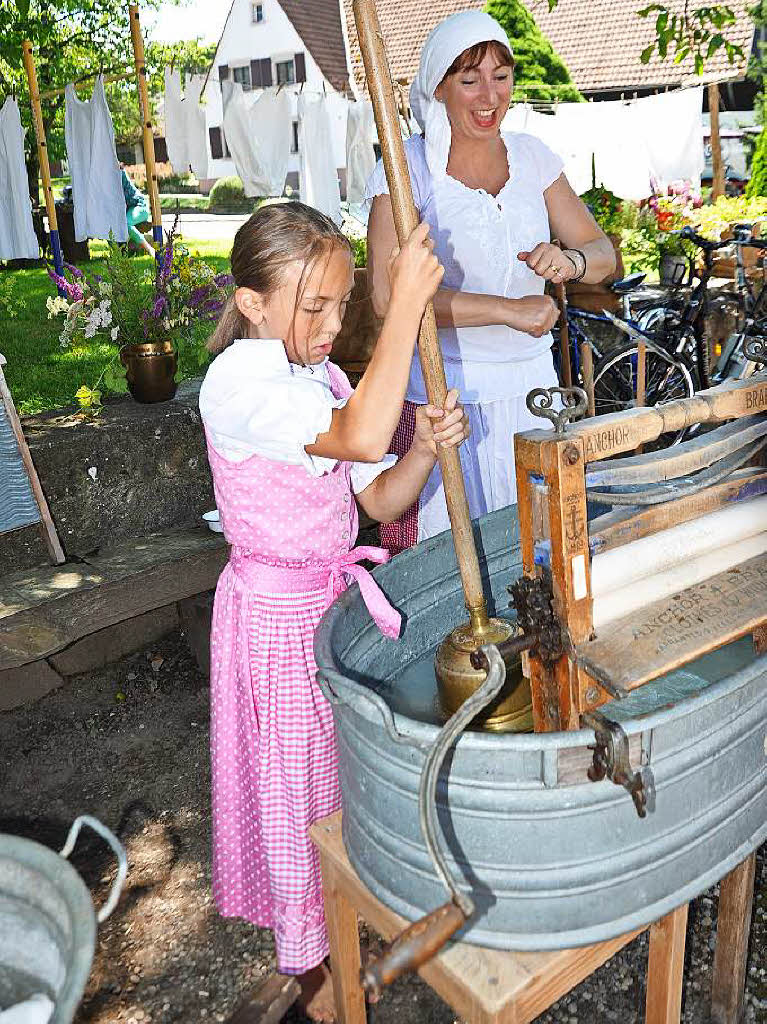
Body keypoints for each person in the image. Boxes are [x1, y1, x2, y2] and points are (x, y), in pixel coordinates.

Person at [198, 201, 467, 1022]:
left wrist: (420, 449)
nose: (332, 322)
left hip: (332, 609)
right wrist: (408, 305)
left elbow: (375, 495)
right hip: (276, 622)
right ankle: (314, 969)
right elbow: (355, 438)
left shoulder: (318, 379)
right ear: (252, 303)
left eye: (343, 303)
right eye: (313, 306)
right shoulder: (238, 384)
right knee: (294, 786)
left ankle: (351, 918)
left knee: (342, 776)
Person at [366, 10, 616, 551]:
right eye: (469, 78)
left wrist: (568, 262)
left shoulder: (531, 157)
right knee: (456, 556)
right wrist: (507, 309)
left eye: (501, 77)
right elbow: (389, 300)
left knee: (539, 546)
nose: (489, 95)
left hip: (533, 394)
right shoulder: (407, 167)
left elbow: (602, 254)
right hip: (446, 396)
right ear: (439, 86)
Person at [121, 168, 155, 256]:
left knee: (126, 224)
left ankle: (149, 249)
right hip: (130, 209)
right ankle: (119, 255)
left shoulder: (119, 173)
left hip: (140, 206)